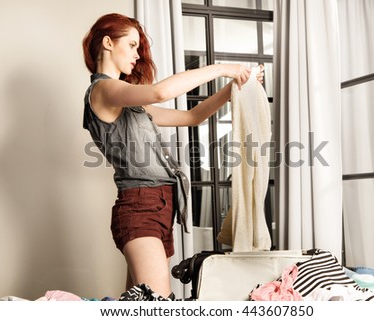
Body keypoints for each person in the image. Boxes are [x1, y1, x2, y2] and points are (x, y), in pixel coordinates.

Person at [82, 13, 263, 299]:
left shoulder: (131, 106)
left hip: (159, 206)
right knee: (159, 308)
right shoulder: (102, 90)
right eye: (131, 45)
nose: (136, 54)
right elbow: (159, 92)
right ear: (107, 43)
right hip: (140, 207)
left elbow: (193, 116)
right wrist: (222, 69)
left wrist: (231, 89)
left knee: (141, 305)